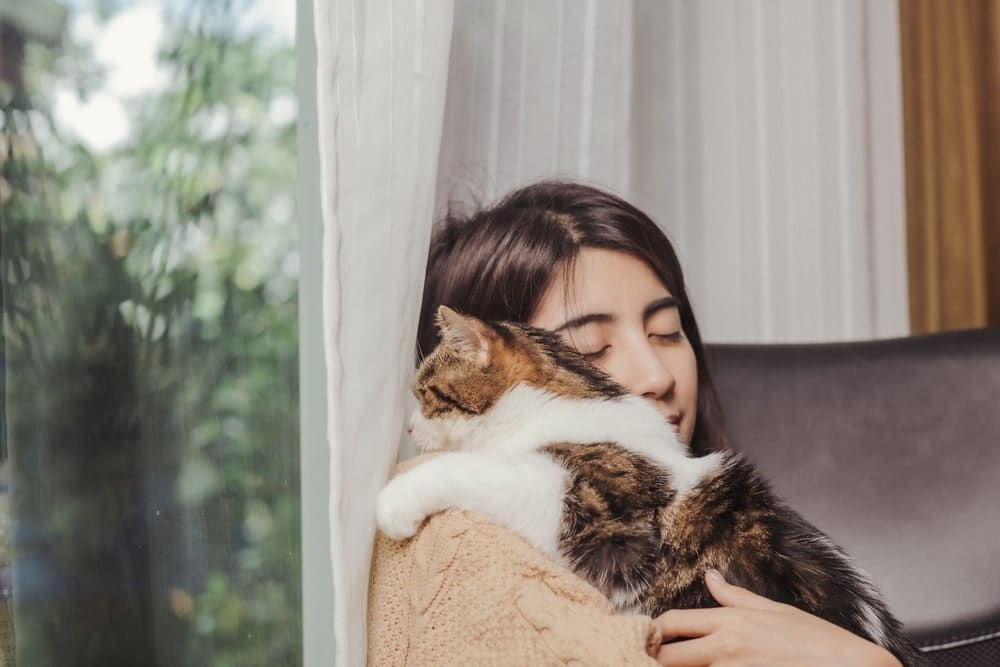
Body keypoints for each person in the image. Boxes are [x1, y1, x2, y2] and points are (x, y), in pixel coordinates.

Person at [368, 180, 903, 666]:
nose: (655, 376)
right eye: (590, 349)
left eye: (668, 332)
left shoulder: (738, 536)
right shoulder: (465, 561)